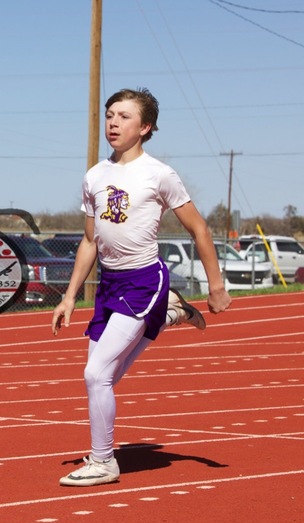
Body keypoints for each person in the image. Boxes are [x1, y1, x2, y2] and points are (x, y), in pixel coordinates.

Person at [51, 88, 232, 487]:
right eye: (110, 115)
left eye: (124, 116)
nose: (113, 123)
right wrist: (68, 296)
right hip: (109, 284)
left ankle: (104, 462)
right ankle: (169, 313)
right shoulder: (95, 175)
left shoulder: (159, 174)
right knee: (105, 379)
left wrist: (215, 285)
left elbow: (198, 228)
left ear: (145, 127)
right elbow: (89, 240)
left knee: (95, 374)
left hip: (144, 280)